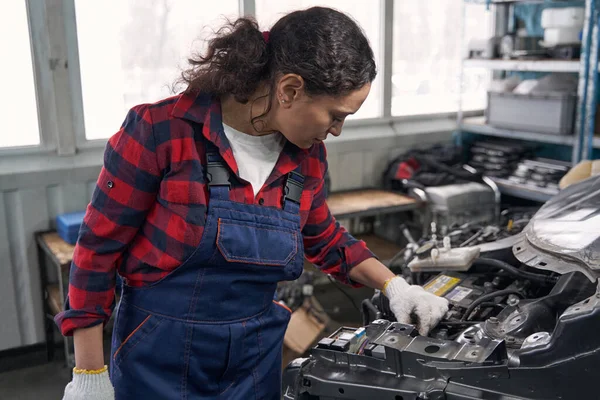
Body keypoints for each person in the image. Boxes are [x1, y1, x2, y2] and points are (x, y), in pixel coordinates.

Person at [57, 7, 449, 400]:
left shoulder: (306, 158)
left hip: (253, 360)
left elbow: (324, 238)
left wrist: (395, 286)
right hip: (159, 356)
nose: (336, 130)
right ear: (290, 89)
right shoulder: (161, 131)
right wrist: (90, 372)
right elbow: (96, 253)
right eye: (334, 114)